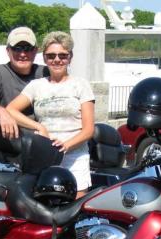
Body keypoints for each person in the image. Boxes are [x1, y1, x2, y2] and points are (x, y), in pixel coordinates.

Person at [6, 31, 95, 198]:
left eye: (63, 55)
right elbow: (11, 109)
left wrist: (66, 145)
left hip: (74, 158)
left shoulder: (81, 85)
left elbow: (88, 129)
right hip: (45, 157)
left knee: (75, 211)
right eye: (51, 55)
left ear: (70, 57)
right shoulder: (36, 86)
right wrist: (38, 126)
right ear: (44, 58)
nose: (57, 60)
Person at [0, 26, 49, 139]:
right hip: (14, 140)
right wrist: (1, 111)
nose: (22, 54)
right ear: (8, 51)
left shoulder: (46, 72)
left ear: (35, 51)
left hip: (49, 137)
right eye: (17, 48)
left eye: (27, 48)